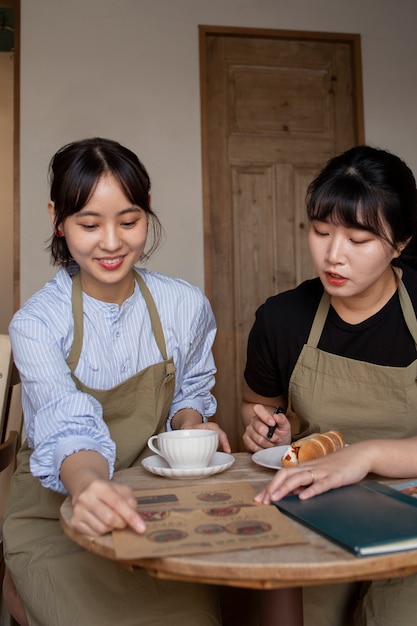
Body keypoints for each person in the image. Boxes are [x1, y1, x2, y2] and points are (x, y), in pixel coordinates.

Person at [3, 137, 231, 626]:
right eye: (89, 224)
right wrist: (87, 487)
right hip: (60, 514)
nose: (111, 242)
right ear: (57, 220)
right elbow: (67, 428)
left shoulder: (184, 306)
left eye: (128, 221)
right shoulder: (38, 323)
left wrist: (192, 427)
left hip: (152, 503)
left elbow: (189, 392)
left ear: (147, 212)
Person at [242, 145, 417, 626]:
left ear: (400, 243)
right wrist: (265, 429)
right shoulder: (281, 318)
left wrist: (364, 456)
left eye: (358, 240)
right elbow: (259, 405)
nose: (333, 255)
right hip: (320, 503)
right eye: (321, 232)